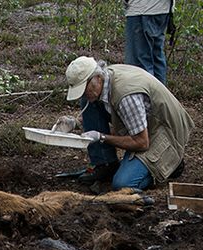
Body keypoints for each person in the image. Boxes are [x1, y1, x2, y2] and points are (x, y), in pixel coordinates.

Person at [62, 56, 193, 190]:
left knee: (122, 185)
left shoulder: (126, 96)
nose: (83, 93)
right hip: (145, 124)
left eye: (84, 88)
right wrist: (75, 123)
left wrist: (102, 137)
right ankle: (106, 165)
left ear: (97, 78)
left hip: (165, 131)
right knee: (89, 100)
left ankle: (170, 164)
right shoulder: (105, 77)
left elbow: (142, 143)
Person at [124, 0, 172, 85]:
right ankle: (159, 97)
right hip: (162, 10)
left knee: (139, 67)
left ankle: (144, 96)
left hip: (143, 9)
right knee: (156, 58)